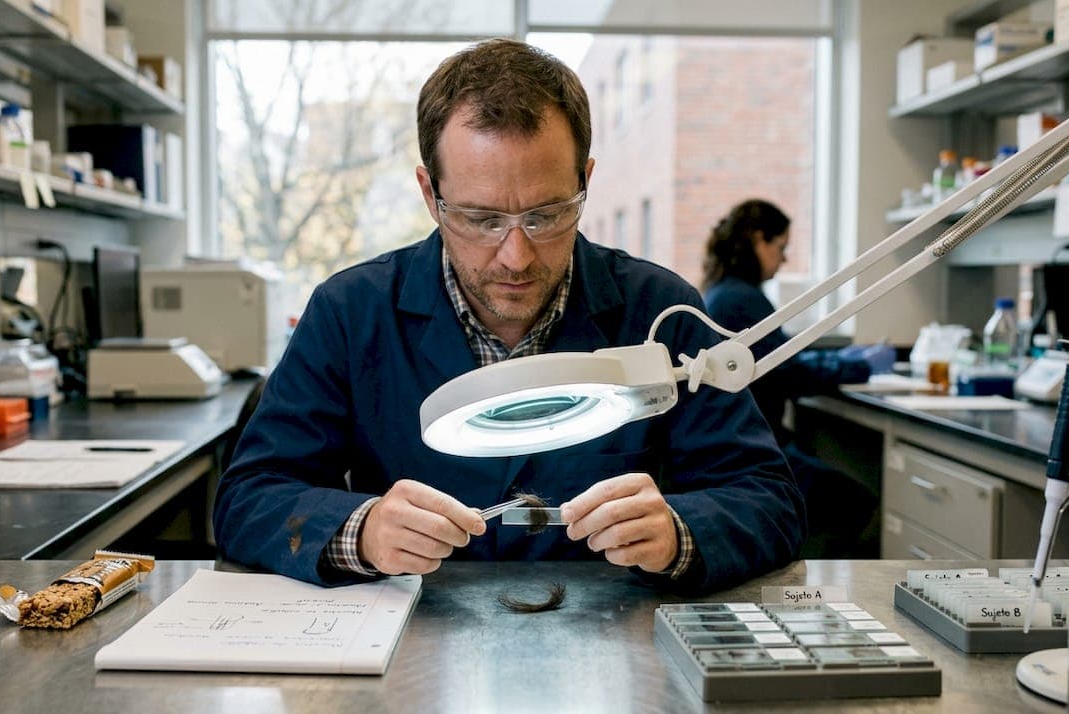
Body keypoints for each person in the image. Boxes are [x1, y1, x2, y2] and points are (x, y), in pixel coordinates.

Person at [214, 40, 805, 595]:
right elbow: (249, 498)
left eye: (547, 215)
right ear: (430, 193)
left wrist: (679, 530)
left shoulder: (660, 312)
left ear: (586, 182)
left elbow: (769, 499)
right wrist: (360, 530)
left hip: (609, 640)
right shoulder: (350, 312)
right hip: (415, 640)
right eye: (480, 218)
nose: (516, 256)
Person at [701, 198, 888, 555]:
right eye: (781, 247)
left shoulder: (725, 291)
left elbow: (780, 355)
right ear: (758, 240)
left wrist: (841, 360)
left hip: (742, 440)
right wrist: (859, 366)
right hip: (752, 448)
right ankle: (809, 588)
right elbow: (788, 368)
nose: (784, 260)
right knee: (855, 503)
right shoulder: (741, 298)